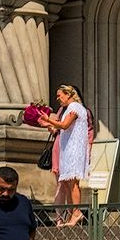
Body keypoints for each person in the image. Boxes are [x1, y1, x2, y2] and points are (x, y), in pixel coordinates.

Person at [47, 84, 92, 227]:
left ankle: (76, 212)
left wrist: (48, 120)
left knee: (73, 183)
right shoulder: (71, 108)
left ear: (68, 95)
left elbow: (65, 125)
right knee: (67, 182)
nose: (58, 99)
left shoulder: (75, 107)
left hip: (74, 150)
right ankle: (72, 212)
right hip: (68, 150)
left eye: (60, 96)